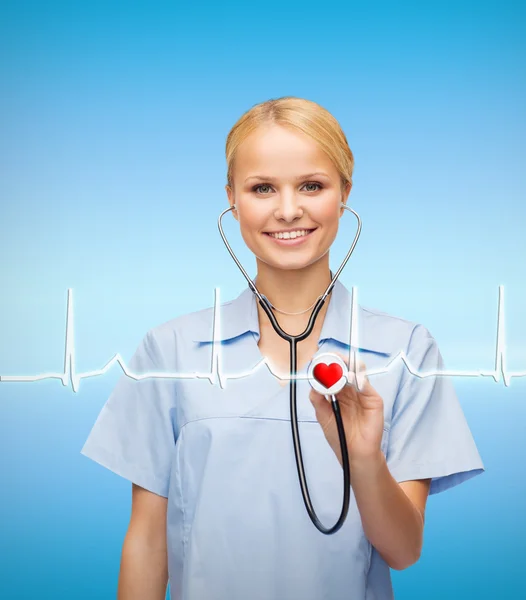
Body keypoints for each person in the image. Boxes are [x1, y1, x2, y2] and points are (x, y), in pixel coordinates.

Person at [81, 96, 485, 600]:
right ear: (232, 197)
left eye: (312, 186)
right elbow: (146, 541)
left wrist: (362, 460)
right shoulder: (171, 350)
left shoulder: (405, 350)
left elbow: (404, 551)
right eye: (262, 188)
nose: (288, 209)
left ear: (345, 193)